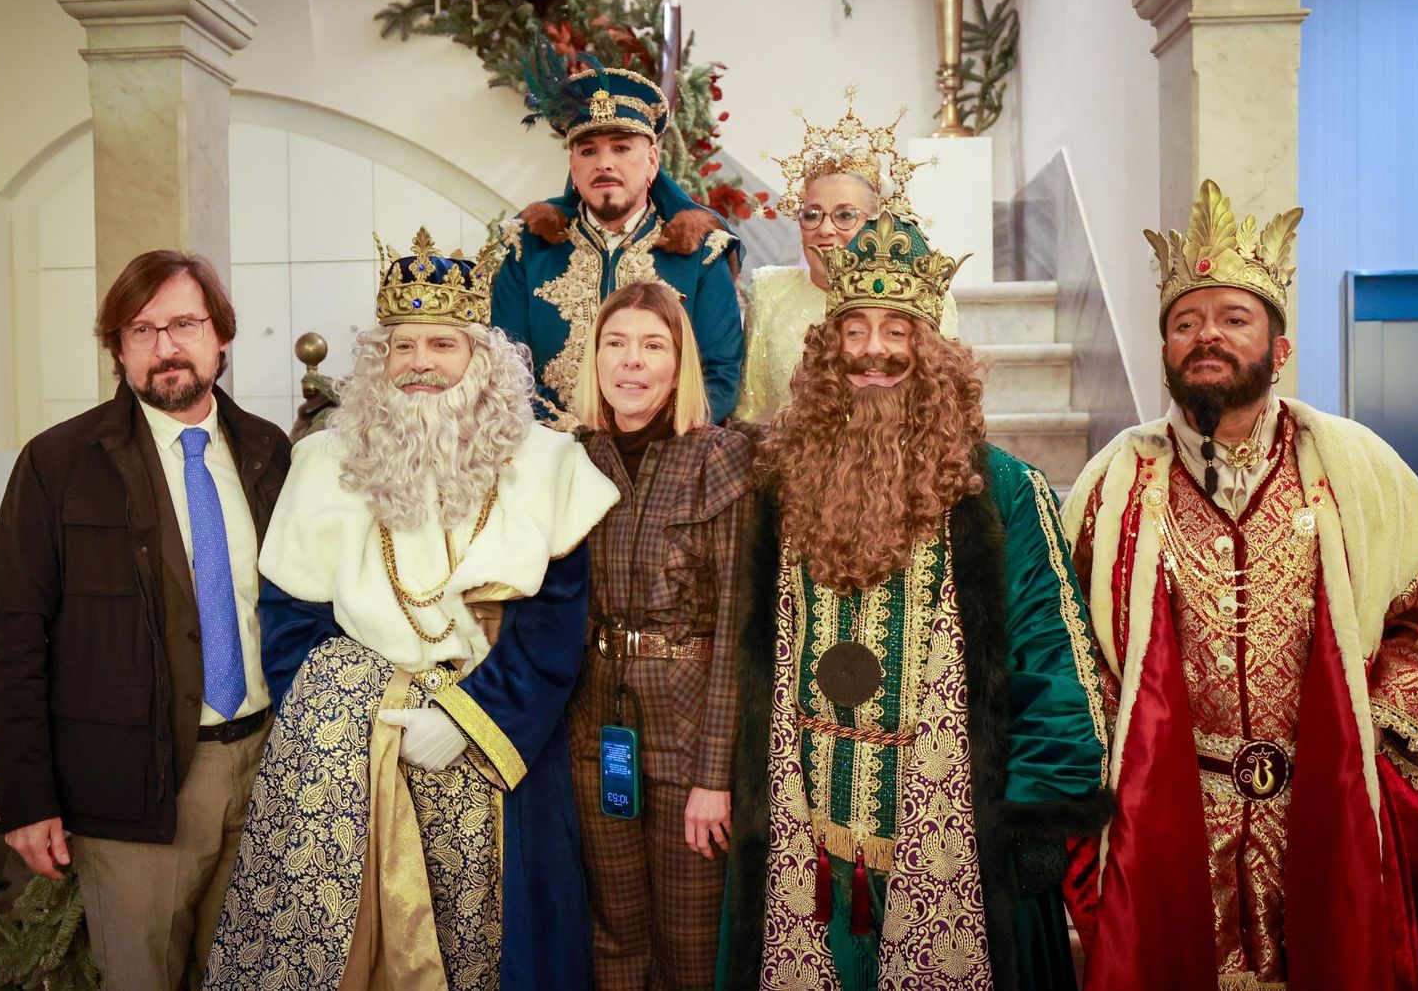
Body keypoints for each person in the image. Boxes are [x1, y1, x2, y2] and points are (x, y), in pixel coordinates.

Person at [1060, 180, 1418, 991]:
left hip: (1325, 813)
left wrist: (1371, 760)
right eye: (1185, 324)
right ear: (1165, 351)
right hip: (1174, 823)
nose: (1206, 337)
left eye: (1232, 319)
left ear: (1279, 349)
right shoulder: (1113, 484)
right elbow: (1073, 654)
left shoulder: (1357, 471)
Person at [203, 228, 620, 990]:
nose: (420, 363)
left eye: (441, 343)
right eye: (401, 346)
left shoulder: (547, 462)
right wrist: (358, 714)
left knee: (497, 957)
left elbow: (555, 631)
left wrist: (463, 718)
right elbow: (291, 620)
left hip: (499, 753)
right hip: (359, 758)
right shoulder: (327, 461)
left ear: (480, 361)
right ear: (378, 361)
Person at [722, 210, 1112, 990]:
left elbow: (1053, 660)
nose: (873, 351)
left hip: (954, 843)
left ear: (930, 350)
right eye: (855, 331)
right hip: (809, 837)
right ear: (828, 351)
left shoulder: (1003, 488)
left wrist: (1030, 829)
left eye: (896, 331)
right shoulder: (779, 483)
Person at [0, 250, 291, 990]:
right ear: (117, 349)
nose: (165, 346)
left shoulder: (269, 452)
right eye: (141, 329)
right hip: (134, 785)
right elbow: (14, 635)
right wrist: (27, 796)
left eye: (184, 323)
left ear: (221, 335)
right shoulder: (58, 466)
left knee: (250, 976)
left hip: (267, 764)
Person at [567, 281, 754, 989]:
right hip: (594, 731)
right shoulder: (570, 457)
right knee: (612, 936)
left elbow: (740, 627)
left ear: (680, 365)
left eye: (653, 346)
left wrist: (717, 777)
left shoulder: (720, 457)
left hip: (688, 732)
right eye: (615, 344)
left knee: (690, 943)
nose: (631, 363)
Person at [486, 47, 745, 427]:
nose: (604, 163)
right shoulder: (528, 249)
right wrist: (566, 442)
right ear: (573, 167)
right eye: (588, 151)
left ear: (652, 161)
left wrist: (645, 443)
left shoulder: (702, 252)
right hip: (550, 458)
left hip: (666, 460)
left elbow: (720, 377)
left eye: (622, 148)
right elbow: (506, 368)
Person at [737, 92, 957, 423]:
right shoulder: (770, 290)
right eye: (812, 215)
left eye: (844, 215)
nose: (824, 229)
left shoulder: (919, 296)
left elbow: (941, 407)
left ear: (877, 224)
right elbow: (751, 411)